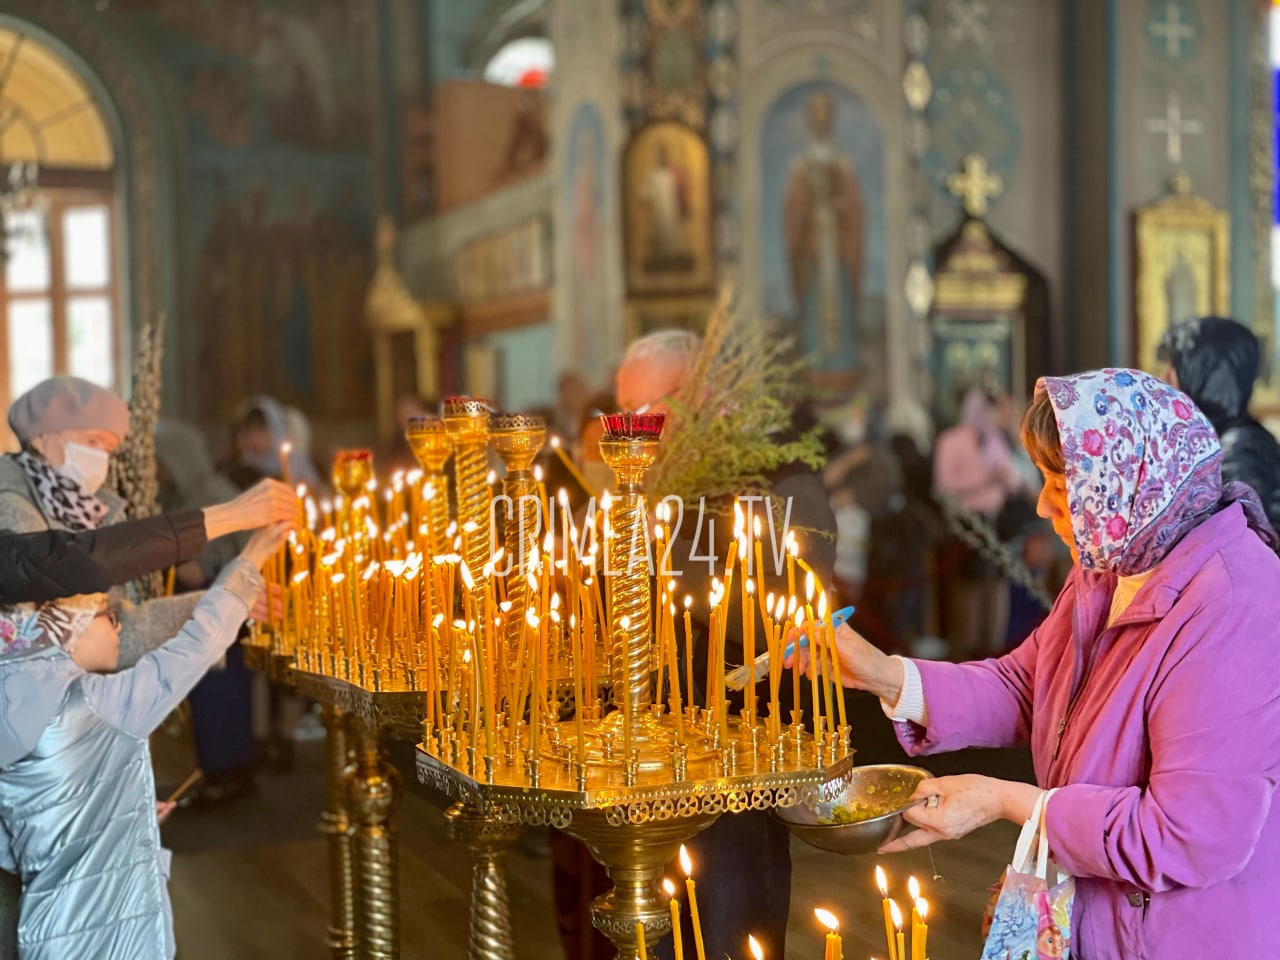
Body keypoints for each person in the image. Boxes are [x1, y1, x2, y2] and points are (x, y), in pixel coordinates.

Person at [802, 369, 1280, 959]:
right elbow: (1029, 686)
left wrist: (1007, 802)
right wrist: (882, 672)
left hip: (1177, 938)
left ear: (1130, 480)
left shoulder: (1234, 604)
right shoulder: (1116, 562)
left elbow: (1186, 835)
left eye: (1062, 482)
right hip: (1097, 919)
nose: (1042, 503)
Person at [616, 330, 837, 960]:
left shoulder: (776, 482)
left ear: (700, 397)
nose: (628, 429)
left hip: (737, 768)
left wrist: (671, 558)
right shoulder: (638, 492)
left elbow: (792, 612)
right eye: (621, 410)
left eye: (643, 410)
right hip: (647, 764)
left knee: (726, 934)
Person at [0, 523, 287, 960]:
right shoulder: (94, 705)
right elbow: (196, 646)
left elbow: (15, 841)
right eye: (104, 611)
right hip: (111, 932)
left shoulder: (13, 703)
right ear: (66, 627)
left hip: (47, 932)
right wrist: (248, 563)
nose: (117, 623)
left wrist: (115, 813)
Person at [0, 480, 294, 604]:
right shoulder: (13, 497)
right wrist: (229, 515)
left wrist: (251, 557)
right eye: (93, 442)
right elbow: (81, 561)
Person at [1158, 315, 1280, 540]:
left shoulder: (1238, 448)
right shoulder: (1216, 441)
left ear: (1205, 375)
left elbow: (1238, 547)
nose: (1163, 378)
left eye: (1173, 368)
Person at [932, 387, 1024, 660]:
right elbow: (944, 486)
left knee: (996, 586)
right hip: (967, 524)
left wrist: (1004, 476)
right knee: (969, 591)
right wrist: (985, 481)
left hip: (997, 523)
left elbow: (1015, 480)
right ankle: (968, 655)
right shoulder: (951, 440)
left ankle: (994, 649)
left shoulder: (995, 440)